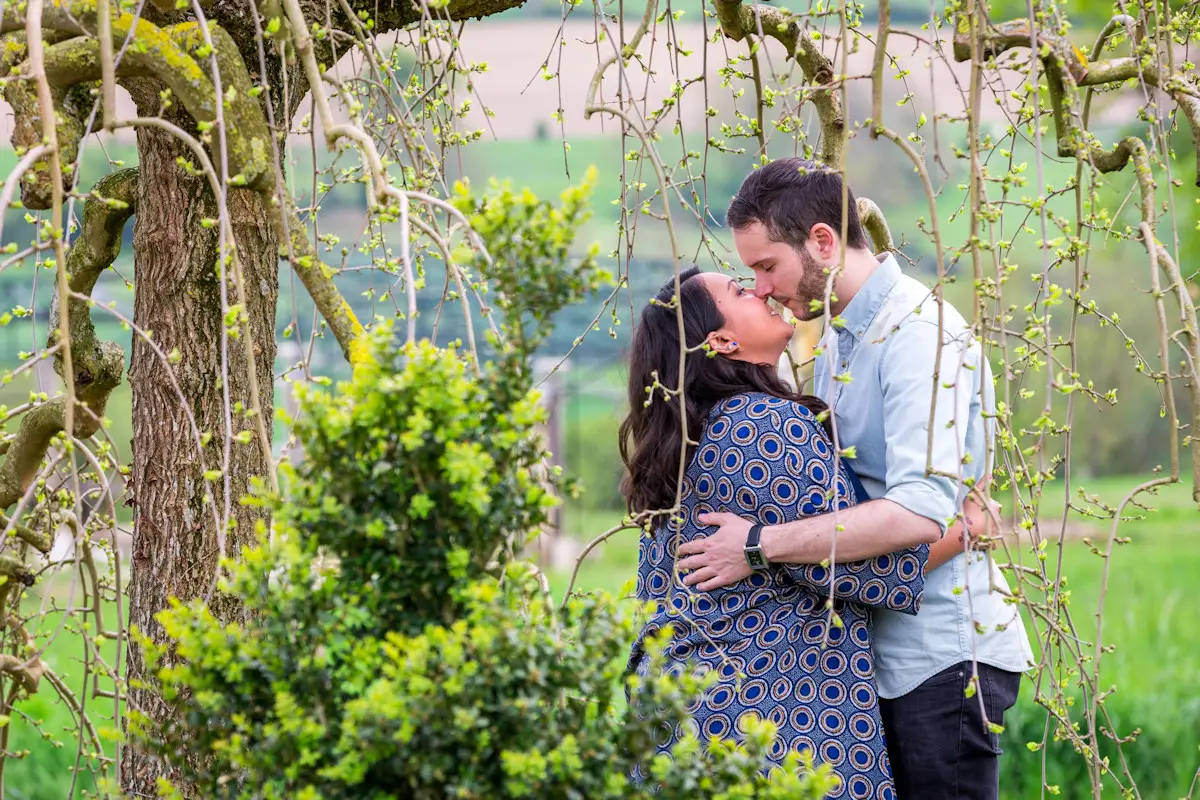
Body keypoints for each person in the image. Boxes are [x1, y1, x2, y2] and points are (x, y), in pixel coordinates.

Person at [676, 159, 1034, 800]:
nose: (760, 289)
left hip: (940, 653)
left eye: (766, 267)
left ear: (821, 242)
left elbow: (921, 512)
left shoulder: (918, 337)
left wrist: (756, 544)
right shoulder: (842, 332)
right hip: (885, 652)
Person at [621, 266, 928, 799]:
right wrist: (966, 523)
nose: (760, 289)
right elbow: (884, 562)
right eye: (741, 290)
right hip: (757, 726)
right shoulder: (760, 426)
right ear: (721, 340)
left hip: (682, 722)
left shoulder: (694, 437)